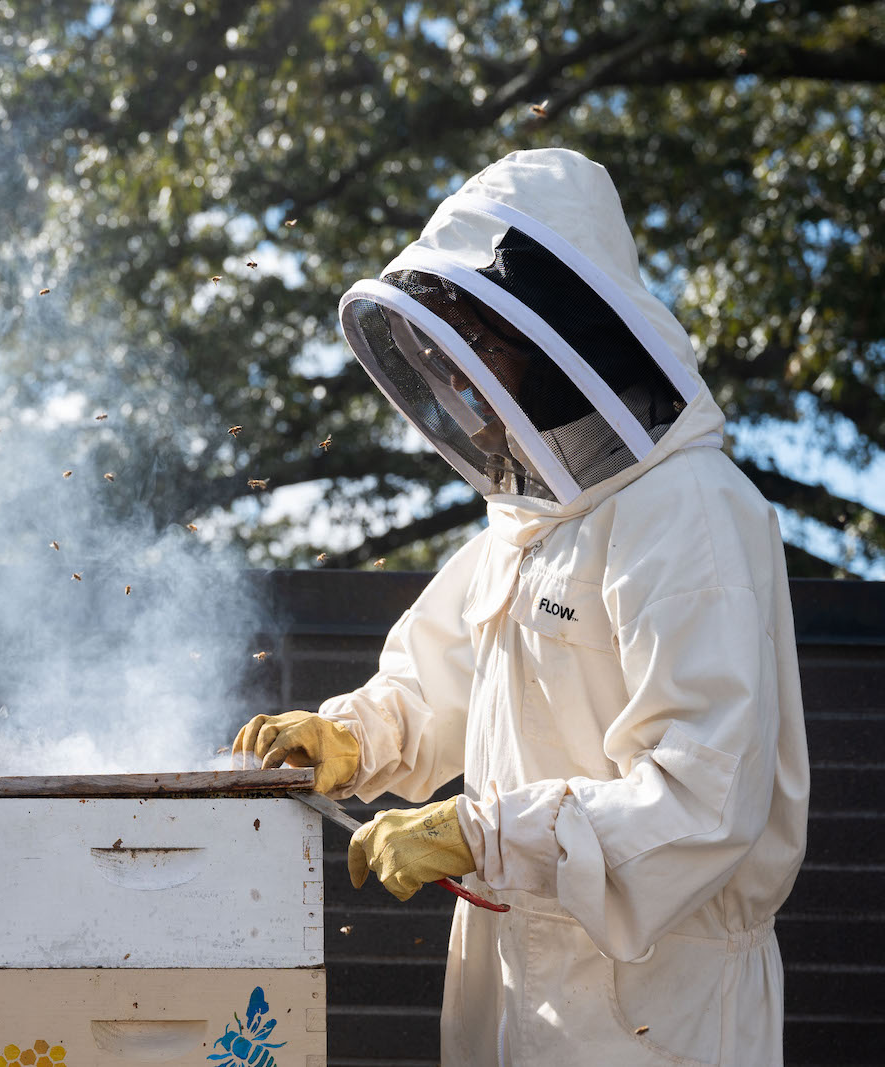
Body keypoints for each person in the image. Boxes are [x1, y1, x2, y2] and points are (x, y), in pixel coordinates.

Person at [235, 148, 808, 1064]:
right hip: (506, 992)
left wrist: (479, 830)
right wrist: (354, 737)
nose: (466, 380)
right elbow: (440, 685)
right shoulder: (530, 520)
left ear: (557, 333)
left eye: (484, 342)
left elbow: (704, 798)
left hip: (656, 1011)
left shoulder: (691, 511)